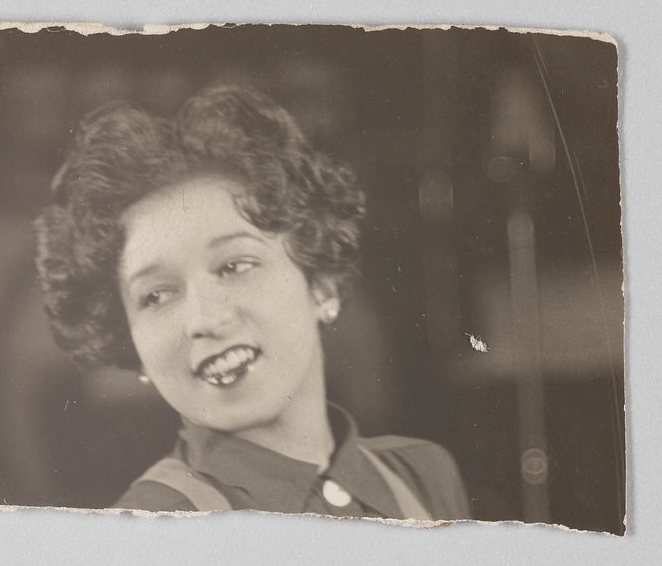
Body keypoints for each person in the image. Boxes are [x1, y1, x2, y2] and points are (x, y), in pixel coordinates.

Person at [34, 85, 470, 520]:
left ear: (320, 284)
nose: (206, 319)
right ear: (132, 346)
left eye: (234, 266)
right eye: (156, 296)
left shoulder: (422, 475)